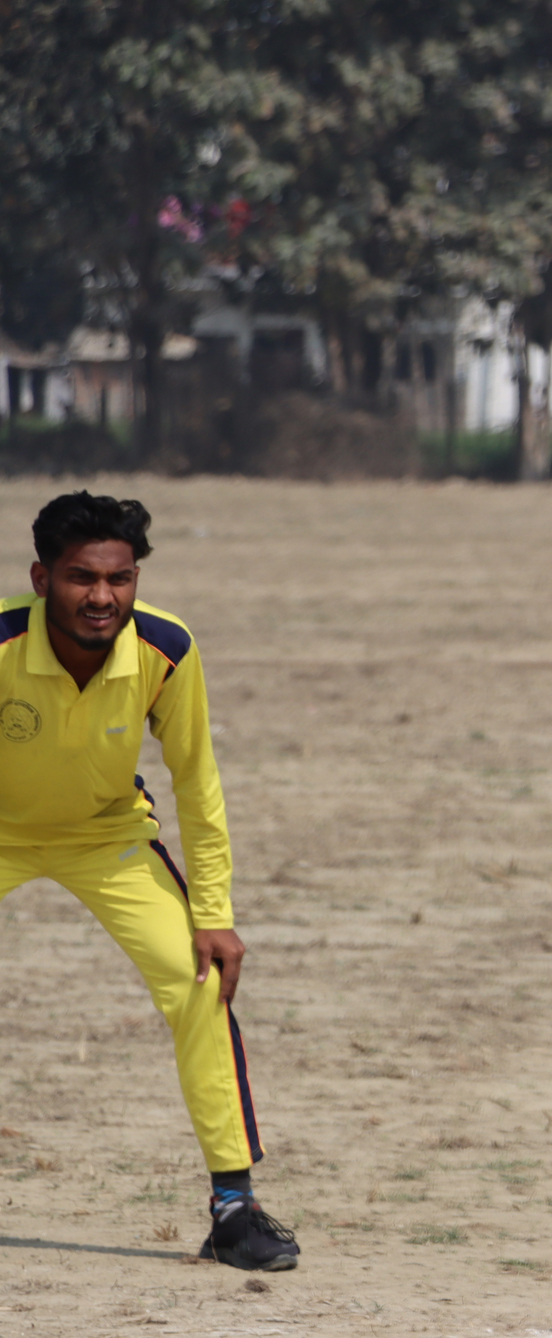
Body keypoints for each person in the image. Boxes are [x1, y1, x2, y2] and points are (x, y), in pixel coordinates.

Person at [3, 492, 295, 1272]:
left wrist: (215, 912)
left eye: (120, 577)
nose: (102, 596)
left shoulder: (166, 648)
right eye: (80, 577)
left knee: (200, 982)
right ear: (41, 578)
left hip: (107, 838)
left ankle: (234, 1207)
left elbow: (197, 782)